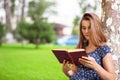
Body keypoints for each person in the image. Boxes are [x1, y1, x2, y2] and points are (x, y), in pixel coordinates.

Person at [62, 13, 116, 80]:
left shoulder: (103, 49)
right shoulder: (80, 48)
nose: (86, 31)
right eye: (84, 28)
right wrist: (68, 72)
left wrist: (95, 66)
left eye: (89, 28)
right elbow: (75, 74)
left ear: (96, 28)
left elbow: (112, 78)